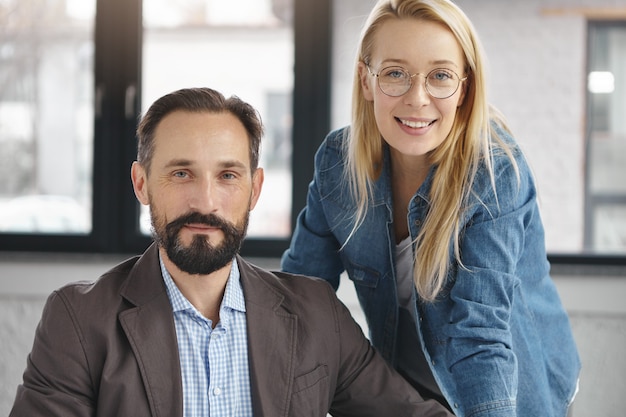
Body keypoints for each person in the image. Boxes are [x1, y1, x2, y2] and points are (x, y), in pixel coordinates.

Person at [9, 87, 454, 417]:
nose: (205, 201)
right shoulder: (78, 321)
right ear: (141, 183)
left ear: (255, 188)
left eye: (227, 176)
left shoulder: (318, 313)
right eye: (181, 174)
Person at [281, 1, 581, 416]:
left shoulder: (494, 174)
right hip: (413, 395)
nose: (417, 98)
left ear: (465, 88)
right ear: (366, 81)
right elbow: (300, 294)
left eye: (440, 76)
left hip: (514, 391)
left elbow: (479, 337)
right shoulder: (337, 163)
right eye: (395, 74)